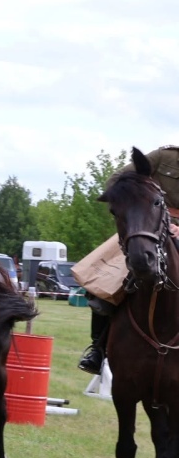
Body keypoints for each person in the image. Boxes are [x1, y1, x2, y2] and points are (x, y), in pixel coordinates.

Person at [77, 146, 179, 373]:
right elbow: (117, 181)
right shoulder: (165, 156)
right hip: (147, 227)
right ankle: (98, 349)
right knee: (101, 283)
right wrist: (144, 210)